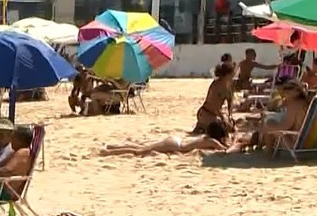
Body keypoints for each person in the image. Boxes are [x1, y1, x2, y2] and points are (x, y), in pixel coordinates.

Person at [99, 121, 229, 157]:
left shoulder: (206, 138)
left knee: (142, 147)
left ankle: (113, 147)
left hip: (176, 141)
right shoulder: (212, 141)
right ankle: (108, 152)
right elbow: (225, 150)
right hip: (175, 146)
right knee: (139, 151)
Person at [258, 79, 312, 155]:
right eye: (285, 88)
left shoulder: (293, 105)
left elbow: (285, 127)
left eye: (289, 88)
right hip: (310, 142)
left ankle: (268, 152)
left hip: (294, 142)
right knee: (269, 120)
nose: (285, 90)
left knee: (269, 122)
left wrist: (268, 125)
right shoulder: (307, 103)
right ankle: (263, 146)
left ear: (297, 91)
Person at [196, 62, 235, 133]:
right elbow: (214, 105)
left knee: (231, 127)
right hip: (206, 113)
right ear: (227, 74)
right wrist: (222, 118)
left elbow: (230, 101)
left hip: (215, 114)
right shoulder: (216, 85)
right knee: (223, 129)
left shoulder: (228, 86)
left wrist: (230, 115)